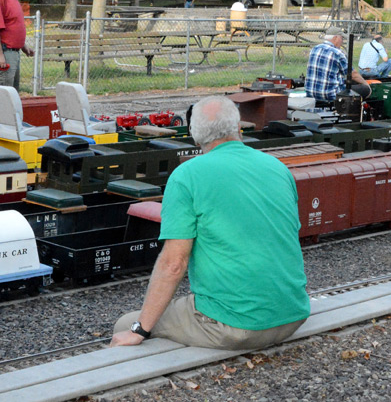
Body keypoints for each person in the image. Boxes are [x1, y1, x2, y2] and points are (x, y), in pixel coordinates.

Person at [110, 96, 310, 350]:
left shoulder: (187, 176)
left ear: (194, 136)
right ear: (238, 127)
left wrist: (140, 330)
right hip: (293, 315)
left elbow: (174, 264)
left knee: (125, 326)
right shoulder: (277, 167)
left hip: (236, 326)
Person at [306, 26, 372, 102]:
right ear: (336, 38)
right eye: (342, 38)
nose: (342, 41)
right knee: (365, 89)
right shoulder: (337, 53)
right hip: (330, 94)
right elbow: (353, 74)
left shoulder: (315, 49)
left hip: (311, 93)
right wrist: (366, 84)